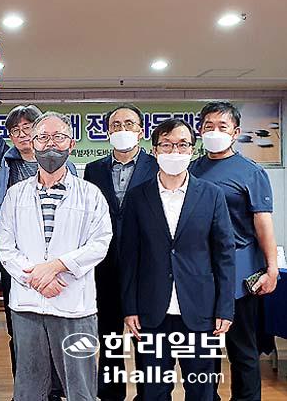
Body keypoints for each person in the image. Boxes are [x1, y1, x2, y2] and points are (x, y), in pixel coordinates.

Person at [0, 112, 112, 400]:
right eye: (43, 138)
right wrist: (36, 277)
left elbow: (100, 243)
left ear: (71, 144)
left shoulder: (90, 194)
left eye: (58, 137)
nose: (50, 145)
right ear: (33, 144)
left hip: (74, 306)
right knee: (29, 388)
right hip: (28, 306)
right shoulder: (16, 195)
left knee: (80, 388)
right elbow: (4, 245)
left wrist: (58, 266)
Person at [119, 118, 236, 401]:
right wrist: (129, 307)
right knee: (154, 390)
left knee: (202, 389)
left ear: (193, 150)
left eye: (182, 145)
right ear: (154, 150)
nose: (175, 151)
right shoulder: (137, 197)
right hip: (151, 311)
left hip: (200, 310)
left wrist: (225, 308)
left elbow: (224, 255)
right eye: (167, 145)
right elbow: (129, 256)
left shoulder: (211, 195)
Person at [190, 101, 279, 401]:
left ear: (236, 132)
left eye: (222, 126)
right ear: (200, 130)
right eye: (208, 126)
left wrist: (272, 268)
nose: (214, 132)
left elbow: (263, 223)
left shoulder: (251, 172)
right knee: (204, 352)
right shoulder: (192, 169)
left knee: (243, 350)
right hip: (201, 274)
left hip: (241, 274)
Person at [83, 104, 158, 401]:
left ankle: (148, 394)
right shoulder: (94, 170)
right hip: (106, 265)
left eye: (129, 124)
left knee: (146, 338)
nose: (122, 129)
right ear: (107, 132)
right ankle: (110, 394)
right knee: (109, 336)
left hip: (146, 266)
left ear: (141, 131)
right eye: (116, 125)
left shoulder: (157, 166)